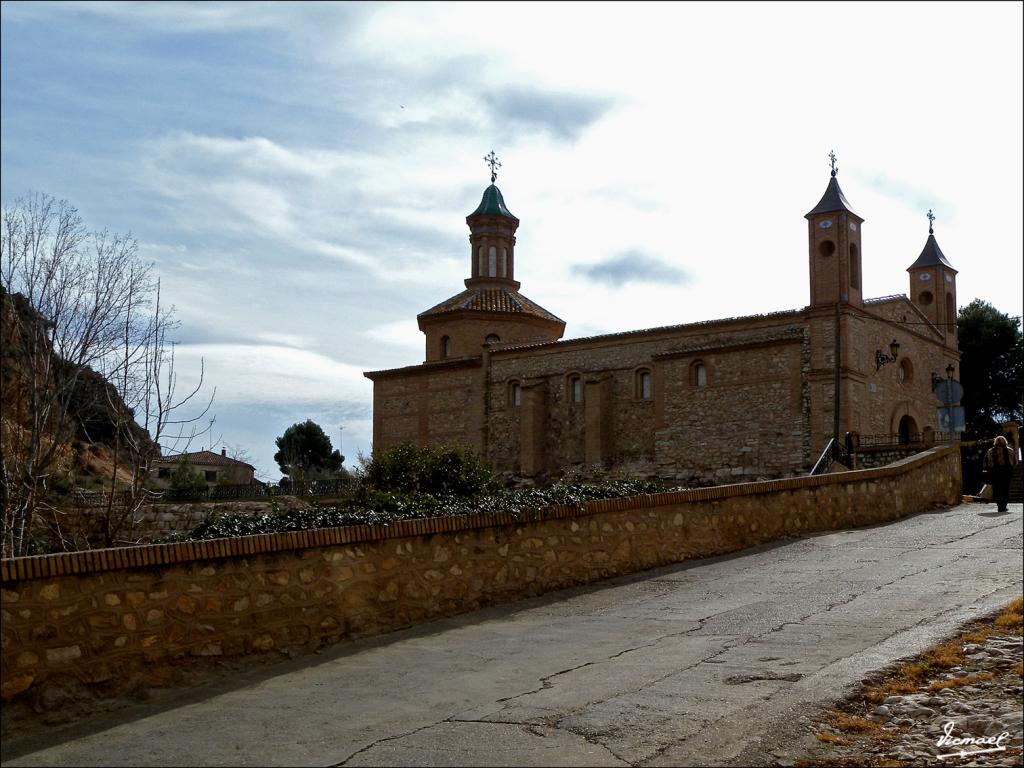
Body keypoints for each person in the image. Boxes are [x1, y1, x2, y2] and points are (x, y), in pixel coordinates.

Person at [983, 435, 1018, 513]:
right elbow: (1015, 462)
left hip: (994, 472)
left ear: (995, 442)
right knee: (1006, 489)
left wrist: (989, 469)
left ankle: (999, 505)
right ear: (1005, 442)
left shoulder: (990, 451)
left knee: (996, 490)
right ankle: (1003, 506)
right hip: (1006, 472)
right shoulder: (1010, 450)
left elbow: (985, 463)